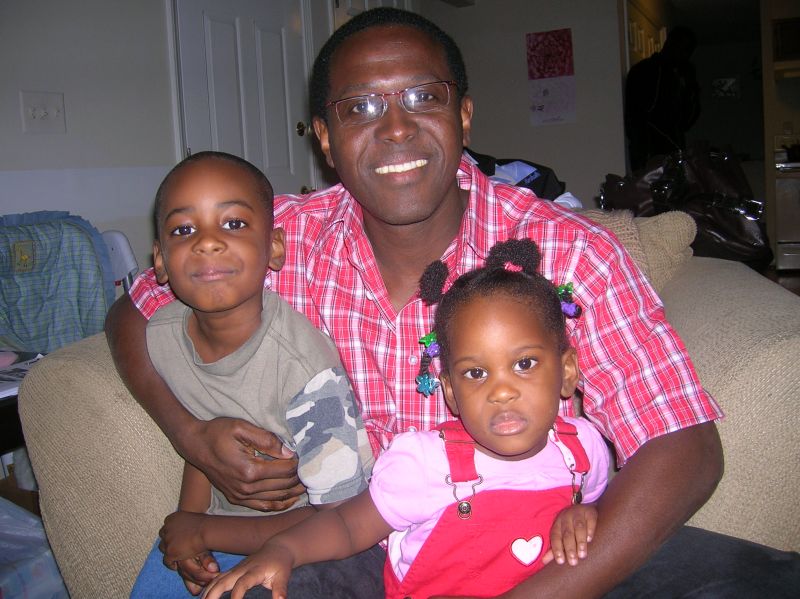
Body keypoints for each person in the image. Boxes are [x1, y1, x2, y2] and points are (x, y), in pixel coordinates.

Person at [106, 7, 799, 598]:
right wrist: (189, 435)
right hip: (353, 544)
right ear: (324, 138)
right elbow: (133, 311)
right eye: (360, 107)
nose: (396, 128)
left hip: (546, 543)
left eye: (423, 97)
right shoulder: (272, 240)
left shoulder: (567, 249)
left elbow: (683, 441)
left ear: (463, 115)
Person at [201, 238, 611, 599]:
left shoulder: (584, 450)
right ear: (450, 392)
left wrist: (590, 515)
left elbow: (603, 512)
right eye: (475, 373)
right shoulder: (426, 463)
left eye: (524, 364)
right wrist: (284, 550)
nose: (501, 391)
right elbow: (348, 526)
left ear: (567, 372)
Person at [128, 151, 379, 598]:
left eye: (233, 223)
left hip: (308, 539)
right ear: (160, 260)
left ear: (274, 248)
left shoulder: (305, 371)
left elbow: (341, 514)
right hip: (216, 528)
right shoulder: (162, 337)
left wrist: (203, 530)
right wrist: (190, 531)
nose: (207, 242)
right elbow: (201, 439)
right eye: (184, 230)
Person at [624, 26, 701, 171]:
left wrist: (691, 87)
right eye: (683, 49)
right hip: (650, 154)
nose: (685, 56)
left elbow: (686, 121)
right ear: (670, 43)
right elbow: (641, 116)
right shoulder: (646, 70)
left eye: (688, 51)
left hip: (672, 151)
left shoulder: (678, 76)